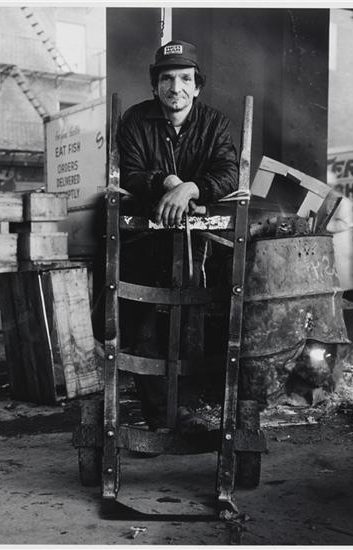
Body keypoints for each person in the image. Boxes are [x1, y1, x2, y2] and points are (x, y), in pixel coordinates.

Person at [116, 39, 239, 433]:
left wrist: (190, 188)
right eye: (167, 79)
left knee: (193, 316)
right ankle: (160, 416)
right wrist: (167, 181)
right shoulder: (135, 120)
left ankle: (184, 410)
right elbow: (131, 172)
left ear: (197, 86)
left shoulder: (215, 123)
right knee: (143, 320)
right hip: (143, 240)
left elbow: (229, 173)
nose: (176, 87)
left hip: (198, 243)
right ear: (156, 86)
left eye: (185, 78)